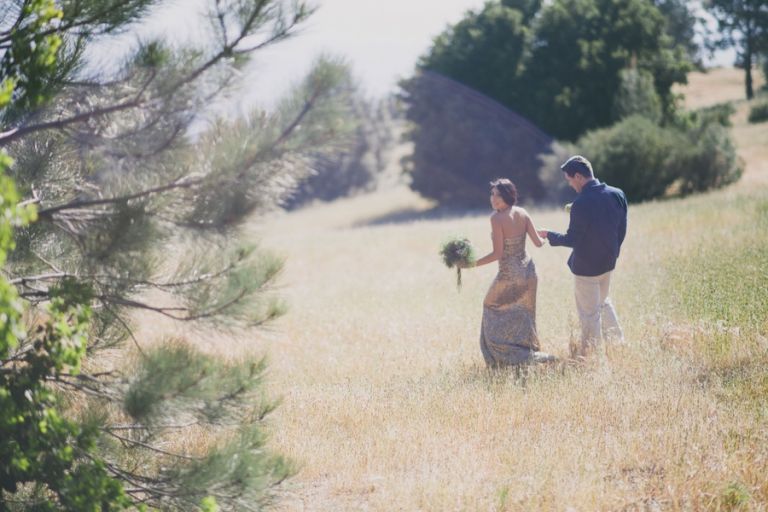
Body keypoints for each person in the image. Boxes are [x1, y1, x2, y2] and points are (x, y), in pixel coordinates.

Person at [538, 155, 627, 358]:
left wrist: (549, 235)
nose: (570, 184)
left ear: (578, 176)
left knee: (589, 314)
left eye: (569, 180)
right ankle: (618, 344)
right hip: (608, 263)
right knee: (603, 303)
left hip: (587, 269)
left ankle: (593, 358)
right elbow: (621, 230)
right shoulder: (617, 194)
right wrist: (612, 252)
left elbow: (572, 240)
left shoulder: (581, 203)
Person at [463, 179, 555, 367]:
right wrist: (544, 236)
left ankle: (504, 358)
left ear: (507, 195)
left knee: (490, 305)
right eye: (492, 194)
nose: (493, 198)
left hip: (509, 274)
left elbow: (497, 253)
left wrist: (472, 264)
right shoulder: (523, 212)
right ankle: (528, 356)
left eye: (498, 195)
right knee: (523, 313)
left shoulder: (496, 219)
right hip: (529, 272)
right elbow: (538, 243)